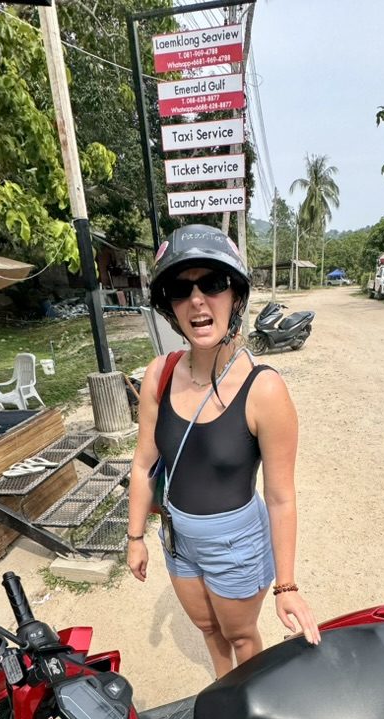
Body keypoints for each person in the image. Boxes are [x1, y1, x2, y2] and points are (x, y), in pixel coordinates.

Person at [126, 225, 320, 678]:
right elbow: (143, 462)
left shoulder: (264, 390)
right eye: (180, 289)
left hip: (234, 543)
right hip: (178, 536)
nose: (197, 300)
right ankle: (222, 689)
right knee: (206, 627)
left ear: (234, 295)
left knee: (239, 635)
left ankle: (248, 703)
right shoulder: (160, 373)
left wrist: (287, 585)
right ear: (170, 307)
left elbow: (281, 496)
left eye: (212, 284)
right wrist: (135, 537)